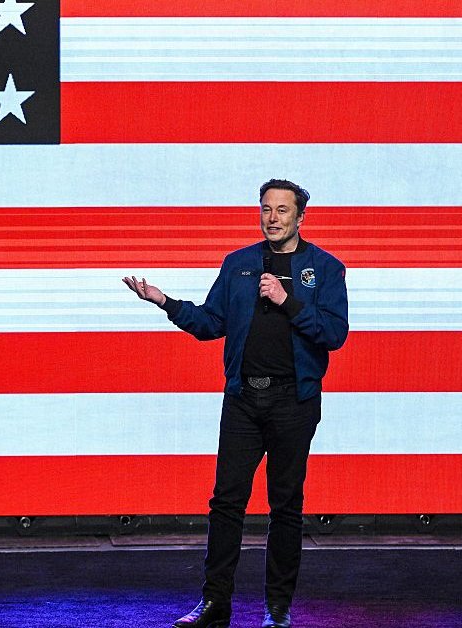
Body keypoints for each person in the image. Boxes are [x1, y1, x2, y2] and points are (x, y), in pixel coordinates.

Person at [123, 179, 349, 628]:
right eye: (266, 208)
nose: (272, 218)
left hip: (294, 401)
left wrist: (287, 301)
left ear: (301, 217)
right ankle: (214, 604)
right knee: (226, 502)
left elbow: (334, 333)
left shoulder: (325, 268)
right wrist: (165, 302)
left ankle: (277, 610)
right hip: (244, 398)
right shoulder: (239, 263)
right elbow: (211, 323)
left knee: (285, 505)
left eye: (282, 210)